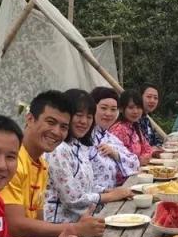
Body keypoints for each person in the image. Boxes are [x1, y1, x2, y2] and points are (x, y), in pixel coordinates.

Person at [0, 91, 105, 237]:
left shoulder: (42, 165)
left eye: (63, 127)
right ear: (30, 119)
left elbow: (38, 228)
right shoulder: (12, 163)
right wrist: (75, 229)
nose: (56, 132)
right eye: (50, 122)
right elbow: (14, 226)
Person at [46, 89, 133, 224]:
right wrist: (110, 196)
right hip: (59, 227)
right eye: (79, 115)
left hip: (83, 221)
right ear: (66, 115)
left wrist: (108, 190)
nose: (84, 121)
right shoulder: (58, 149)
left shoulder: (80, 146)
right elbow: (73, 199)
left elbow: (85, 186)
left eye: (89, 117)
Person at [91, 87, 140, 187]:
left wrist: (115, 154)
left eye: (113, 109)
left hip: (112, 195)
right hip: (98, 198)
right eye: (103, 108)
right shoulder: (85, 137)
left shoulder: (111, 137)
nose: (108, 114)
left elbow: (135, 162)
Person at [109, 90, 154, 165]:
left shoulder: (134, 126)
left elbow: (148, 149)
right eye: (131, 107)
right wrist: (138, 161)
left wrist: (143, 158)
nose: (135, 111)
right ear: (121, 109)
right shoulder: (118, 130)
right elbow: (117, 159)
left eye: (139, 107)